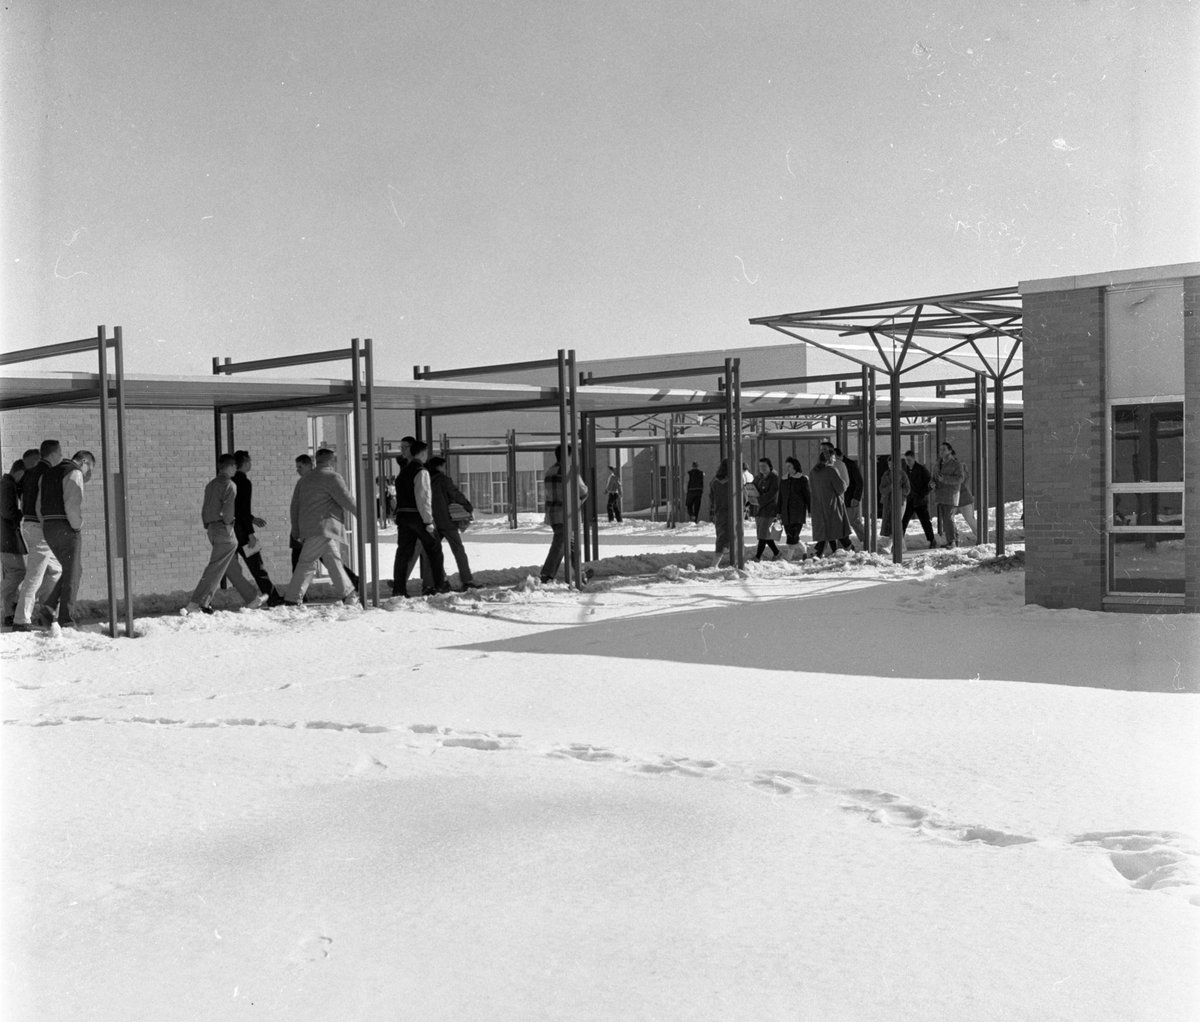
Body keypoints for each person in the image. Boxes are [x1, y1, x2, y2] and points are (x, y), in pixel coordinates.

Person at [182, 454, 271, 616]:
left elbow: (205, 509)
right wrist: (229, 525)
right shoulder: (229, 484)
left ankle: (252, 598)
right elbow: (229, 510)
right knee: (215, 567)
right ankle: (196, 603)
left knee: (231, 568)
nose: (236, 469)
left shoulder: (211, 485)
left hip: (212, 529)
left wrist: (208, 525)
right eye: (234, 466)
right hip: (225, 529)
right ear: (229, 467)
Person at [284, 448, 360, 605]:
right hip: (323, 528)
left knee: (333, 561)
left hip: (309, 529)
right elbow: (346, 499)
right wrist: (362, 514)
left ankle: (349, 594)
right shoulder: (332, 477)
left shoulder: (303, 480)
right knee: (306, 563)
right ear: (331, 461)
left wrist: (296, 530)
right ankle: (292, 598)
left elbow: (294, 507)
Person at [36, 450, 97, 628]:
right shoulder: (74, 472)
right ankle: (66, 620)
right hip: (66, 526)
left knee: (73, 570)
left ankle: (48, 609)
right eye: (89, 468)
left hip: (48, 526)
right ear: (84, 461)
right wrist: (77, 526)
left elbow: (38, 505)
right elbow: (72, 505)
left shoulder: (47, 474)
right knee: (73, 573)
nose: (86, 473)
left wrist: (47, 524)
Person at [11, 440, 65, 632]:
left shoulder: (30, 472)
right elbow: (43, 503)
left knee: (56, 570)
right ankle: (21, 620)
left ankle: (46, 613)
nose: (61, 457)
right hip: (40, 527)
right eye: (60, 453)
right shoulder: (48, 473)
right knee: (35, 574)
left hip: (29, 524)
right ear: (53, 454)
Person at [392, 439, 447, 596]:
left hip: (403, 517)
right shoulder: (421, 471)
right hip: (418, 518)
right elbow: (423, 498)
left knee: (403, 554)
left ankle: (399, 589)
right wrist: (428, 521)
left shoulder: (403, 472)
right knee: (435, 549)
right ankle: (439, 586)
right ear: (423, 453)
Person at [427, 456, 480, 591]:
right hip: (446, 520)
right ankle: (467, 580)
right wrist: (467, 506)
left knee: (433, 552)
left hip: (431, 521)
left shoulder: (425, 479)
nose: (444, 469)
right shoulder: (443, 480)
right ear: (439, 466)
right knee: (458, 550)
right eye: (443, 466)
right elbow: (455, 494)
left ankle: (440, 581)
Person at [540, 445, 590, 584]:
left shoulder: (550, 471)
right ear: (567, 456)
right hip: (566, 514)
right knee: (560, 544)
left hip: (553, 514)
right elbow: (583, 491)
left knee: (571, 544)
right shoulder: (569, 472)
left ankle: (581, 573)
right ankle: (547, 575)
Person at [232, 450, 277, 597]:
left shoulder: (230, 481)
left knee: (229, 566)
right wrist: (251, 534)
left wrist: (252, 519)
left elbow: (236, 509)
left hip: (231, 529)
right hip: (243, 531)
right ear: (244, 463)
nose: (250, 464)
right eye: (249, 461)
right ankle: (272, 596)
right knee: (257, 565)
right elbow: (243, 510)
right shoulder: (244, 482)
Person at [394, 435, 434, 592]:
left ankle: (402, 585)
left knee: (409, 551)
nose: (402, 451)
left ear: (413, 449)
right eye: (401, 447)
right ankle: (432, 583)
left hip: (411, 515)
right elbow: (422, 496)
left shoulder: (414, 467)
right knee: (429, 548)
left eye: (405, 447)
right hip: (416, 516)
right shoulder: (412, 468)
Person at [808, 448, 853, 556]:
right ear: (829, 459)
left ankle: (828, 553)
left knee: (826, 532)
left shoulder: (813, 472)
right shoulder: (831, 470)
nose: (835, 460)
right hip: (833, 505)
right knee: (838, 530)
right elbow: (841, 487)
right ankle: (850, 550)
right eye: (833, 458)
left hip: (818, 506)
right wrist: (845, 484)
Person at [1, 459, 27, 625]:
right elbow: (7, 512)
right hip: (8, 538)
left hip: (6, 537)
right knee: (18, 572)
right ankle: (10, 611)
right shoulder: (7, 485)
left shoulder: (7, 484)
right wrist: (21, 512)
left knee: (12, 575)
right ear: (19, 472)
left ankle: (9, 613)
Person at [900, 450, 936, 548]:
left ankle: (932, 540)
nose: (907, 462)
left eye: (909, 460)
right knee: (903, 521)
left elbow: (929, 484)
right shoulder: (905, 470)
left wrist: (922, 494)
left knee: (925, 521)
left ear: (914, 458)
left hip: (920, 500)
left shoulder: (921, 469)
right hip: (909, 500)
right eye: (906, 460)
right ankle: (900, 541)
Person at [932, 442, 964, 548]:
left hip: (951, 495)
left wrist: (945, 479)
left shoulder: (956, 464)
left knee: (948, 518)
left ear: (950, 451)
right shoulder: (938, 463)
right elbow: (934, 477)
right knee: (946, 519)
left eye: (944, 449)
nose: (941, 452)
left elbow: (960, 478)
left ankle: (952, 541)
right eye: (940, 449)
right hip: (940, 495)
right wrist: (932, 483)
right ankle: (954, 540)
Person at [778, 457, 810, 560]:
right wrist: (778, 511)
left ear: (795, 466)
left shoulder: (802, 479)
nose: (787, 468)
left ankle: (788, 558)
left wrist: (810, 510)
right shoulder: (784, 479)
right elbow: (780, 497)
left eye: (789, 466)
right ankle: (804, 549)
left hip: (798, 513)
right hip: (785, 513)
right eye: (786, 466)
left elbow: (807, 495)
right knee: (791, 535)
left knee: (792, 535)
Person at [752, 457, 781, 562]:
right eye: (760, 466)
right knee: (764, 534)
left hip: (769, 509)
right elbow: (752, 488)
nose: (762, 468)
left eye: (764, 466)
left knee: (763, 534)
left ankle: (758, 556)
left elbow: (772, 494)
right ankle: (777, 553)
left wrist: (759, 500)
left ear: (770, 466)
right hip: (759, 509)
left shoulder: (774, 478)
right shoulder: (758, 478)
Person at [879, 456, 911, 551]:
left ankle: (890, 544)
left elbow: (907, 489)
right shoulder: (886, 474)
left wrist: (898, 490)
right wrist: (890, 487)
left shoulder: (902, 474)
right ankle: (902, 547)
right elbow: (881, 489)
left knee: (896, 522)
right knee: (893, 523)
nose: (890, 466)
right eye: (888, 464)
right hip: (888, 502)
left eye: (892, 464)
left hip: (900, 502)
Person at [289, 454, 313, 572]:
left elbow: (295, 507)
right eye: (297, 467)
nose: (297, 470)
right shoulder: (305, 481)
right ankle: (352, 578)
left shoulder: (305, 482)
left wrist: (295, 530)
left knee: (297, 562)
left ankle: (352, 578)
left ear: (309, 465)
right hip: (308, 529)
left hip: (304, 530)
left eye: (300, 467)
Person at [839, 448, 866, 546]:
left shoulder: (850, 464)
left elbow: (859, 481)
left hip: (851, 497)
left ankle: (865, 540)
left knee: (853, 520)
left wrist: (856, 497)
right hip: (843, 497)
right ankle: (846, 543)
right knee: (844, 521)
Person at [708, 459, 732, 568]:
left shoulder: (715, 481)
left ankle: (720, 559)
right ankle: (715, 564)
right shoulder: (734, 481)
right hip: (731, 512)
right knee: (728, 537)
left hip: (719, 512)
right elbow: (743, 497)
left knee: (721, 536)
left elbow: (711, 497)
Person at [956, 461, 979, 543]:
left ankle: (980, 536)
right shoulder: (962, 476)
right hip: (961, 501)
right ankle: (978, 535)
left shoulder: (963, 476)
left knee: (970, 519)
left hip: (965, 501)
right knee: (969, 519)